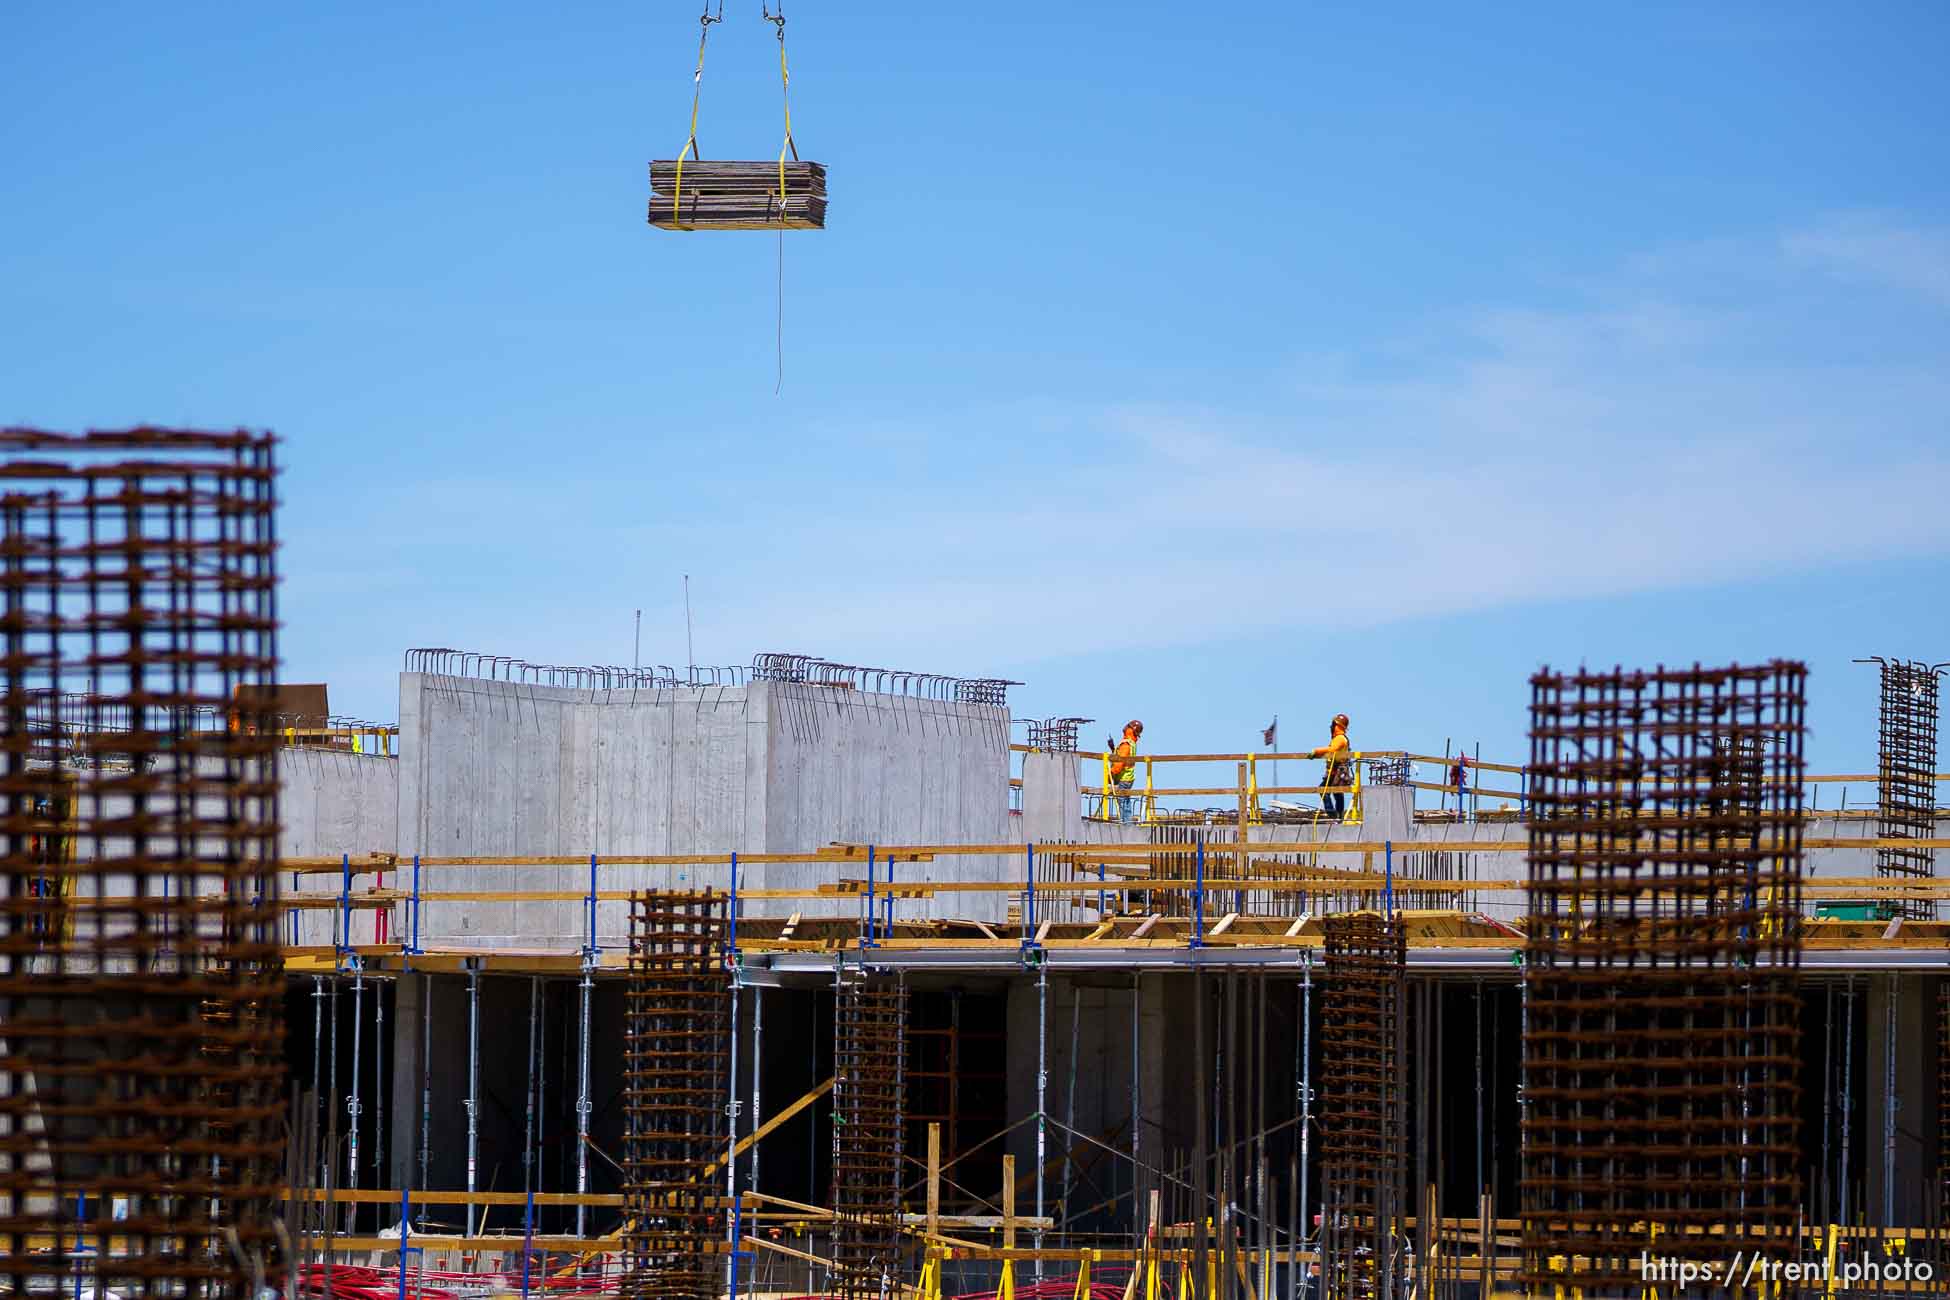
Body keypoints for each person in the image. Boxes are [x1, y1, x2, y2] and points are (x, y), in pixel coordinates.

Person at [1310, 713, 1352, 820]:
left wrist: (1316, 751)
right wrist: (1317, 754)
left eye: (1333, 725)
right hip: (1336, 769)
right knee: (1337, 792)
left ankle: (1332, 813)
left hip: (1337, 769)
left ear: (1337, 726)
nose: (1331, 727)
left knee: (1324, 789)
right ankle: (1339, 817)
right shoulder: (1339, 738)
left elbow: (1332, 749)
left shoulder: (1340, 738)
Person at [1108, 719, 1143, 823]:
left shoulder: (1126, 744)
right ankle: (1127, 822)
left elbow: (1119, 763)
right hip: (1129, 778)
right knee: (1125, 800)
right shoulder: (1131, 743)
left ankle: (1126, 823)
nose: (1125, 728)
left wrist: (1110, 775)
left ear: (1131, 730)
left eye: (1128, 726)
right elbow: (1122, 757)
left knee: (1122, 800)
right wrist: (1113, 748)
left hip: (1123, 778)